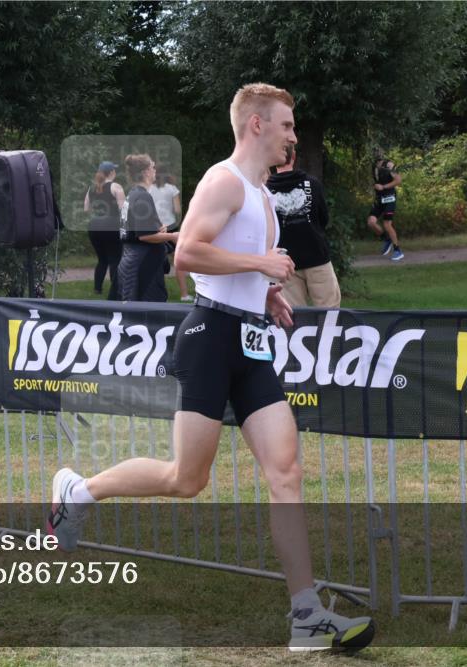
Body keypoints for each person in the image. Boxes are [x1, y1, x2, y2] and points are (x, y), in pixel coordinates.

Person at [48, 83, 375, 653]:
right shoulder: (223, 180)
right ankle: (80, 490)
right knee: (187, 479)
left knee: (286, 473)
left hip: (251, 344)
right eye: (286, 125)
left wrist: (266, 292)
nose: (293, 135)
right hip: (209, 338)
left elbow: (239, 267)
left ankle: (305, 615)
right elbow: (187, 253)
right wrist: (260, 264)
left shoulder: (263, 195)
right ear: (256, 125)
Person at [266, 146, 341, 307]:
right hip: (317, 256)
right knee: (329, 311)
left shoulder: (265, 190)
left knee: (293, 314)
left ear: (273, 158)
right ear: (294, 156)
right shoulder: (312, 183)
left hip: (285, 261)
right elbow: (323, 218)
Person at [117, 154, 179, 302]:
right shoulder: (142, 196)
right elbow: (145, 235)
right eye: (152, 167)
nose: (155, 170)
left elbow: (138, 229)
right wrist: (173, 236)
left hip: (134, 261)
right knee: (148, 311)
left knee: (135, 309)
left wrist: (159, 229)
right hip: (143, 265)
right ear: (145, 172)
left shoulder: (134, 194)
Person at [148, 164, 191, 302]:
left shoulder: (148, 188)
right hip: (171, 226)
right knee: (178, 259)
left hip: (154, 226)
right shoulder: (172, 189)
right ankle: (184, 295)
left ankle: (157, 292)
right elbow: (177, 210)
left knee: (156, 259)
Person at [84, 161, 125, 300]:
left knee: (102, 259)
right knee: (115, 259)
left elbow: (86, 209)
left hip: (94, 226)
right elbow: (122, 209)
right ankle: (116, 290)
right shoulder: (116, 186)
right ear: (112, 172)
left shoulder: (92, 188)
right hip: (112, 225)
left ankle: (97, 289)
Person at [365, 152, 404, 261]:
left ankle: (397, 250)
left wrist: (384, 187)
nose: (376, 154)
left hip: (389, 198)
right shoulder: (374, 166)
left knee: (387, 224)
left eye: (378, 151)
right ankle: (387, 239)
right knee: (371, 222)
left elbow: (398, 180)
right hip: (379, 199)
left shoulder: (389, 165)